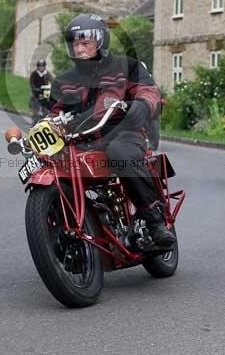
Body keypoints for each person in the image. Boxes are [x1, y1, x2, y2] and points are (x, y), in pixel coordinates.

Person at [48, 13, 175, 247]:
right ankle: (65, 227)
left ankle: (154, 220)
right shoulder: (64, 81)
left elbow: (148, 90)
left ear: (101, 41)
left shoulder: (126, 66)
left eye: (85, 41)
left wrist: (142, 105)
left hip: (123, 133)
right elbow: (54, 114)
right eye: (75, 43)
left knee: (120, 153)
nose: (79, 47)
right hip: (82, 140)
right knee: (55, 167)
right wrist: (49, 128)